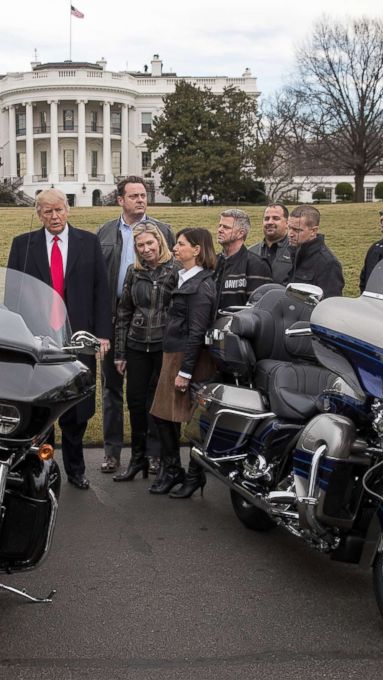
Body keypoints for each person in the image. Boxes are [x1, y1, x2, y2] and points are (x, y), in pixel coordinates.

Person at [7, 188, 112, 490]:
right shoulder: (23, 245)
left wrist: (102, 334)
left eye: (59, 210)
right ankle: (42, 468)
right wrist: (16, 335)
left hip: (78, 339)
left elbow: (100, 292)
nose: (54, 217)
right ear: (38, 214)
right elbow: (13, 295)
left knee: (75, 409)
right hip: (37, 342)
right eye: (47, 212)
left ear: (68, 209)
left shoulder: (88, 242)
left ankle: (76, 469)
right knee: (40, 407)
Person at [96, 176, 174, 474]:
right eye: (134, 196)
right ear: (120, 200)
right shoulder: (105, 232)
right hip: (114, 319)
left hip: (151, 323)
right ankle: (112, 452)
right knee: (112, 390)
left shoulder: (162, 230)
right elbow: (96, 279)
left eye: (144, 195)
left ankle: (152, 453)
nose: (141, 200)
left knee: (150, 392)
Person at [149, 227, 218, 498]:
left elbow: (197, 332)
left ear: (197, 250)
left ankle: (193, 474)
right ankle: (173, 469)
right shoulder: (182, 277)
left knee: (191, 422)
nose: (175, 249)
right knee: (163, 416)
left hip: (188, 359)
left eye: (180, 244)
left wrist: (186, 372)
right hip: (174, 355)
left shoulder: (202, 285)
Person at [112, 223, 179, 482]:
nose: (146, 249)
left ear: (160, 242)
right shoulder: (134, 272)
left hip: (163, 346)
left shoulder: (174, 270)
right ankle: (136, 458)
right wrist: (120, 353)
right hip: (137, 344)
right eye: (140, 245)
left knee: (158, 405)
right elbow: (124, 313)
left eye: (150, 243)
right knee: (136, 403)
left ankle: (157, 456)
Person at [214, 209, 272, 309]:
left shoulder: (256, 264)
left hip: (240, 322)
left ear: (241, 233)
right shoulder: (213, 261)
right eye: (220, 226)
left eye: (226, 227)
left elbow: (257, 308)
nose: (220, 230)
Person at [286, 205, 345, 298]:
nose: (290, 234)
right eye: (289, 228)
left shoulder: (328, 264)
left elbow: (330, 304)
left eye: (296, 230)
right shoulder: (291, 252)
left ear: (313, 231)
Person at [249, 203, 292, 286]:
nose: (269, 222)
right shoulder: (251, 252)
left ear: (287, 223)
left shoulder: (296, 252)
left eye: (276, 218)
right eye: (266, 219)